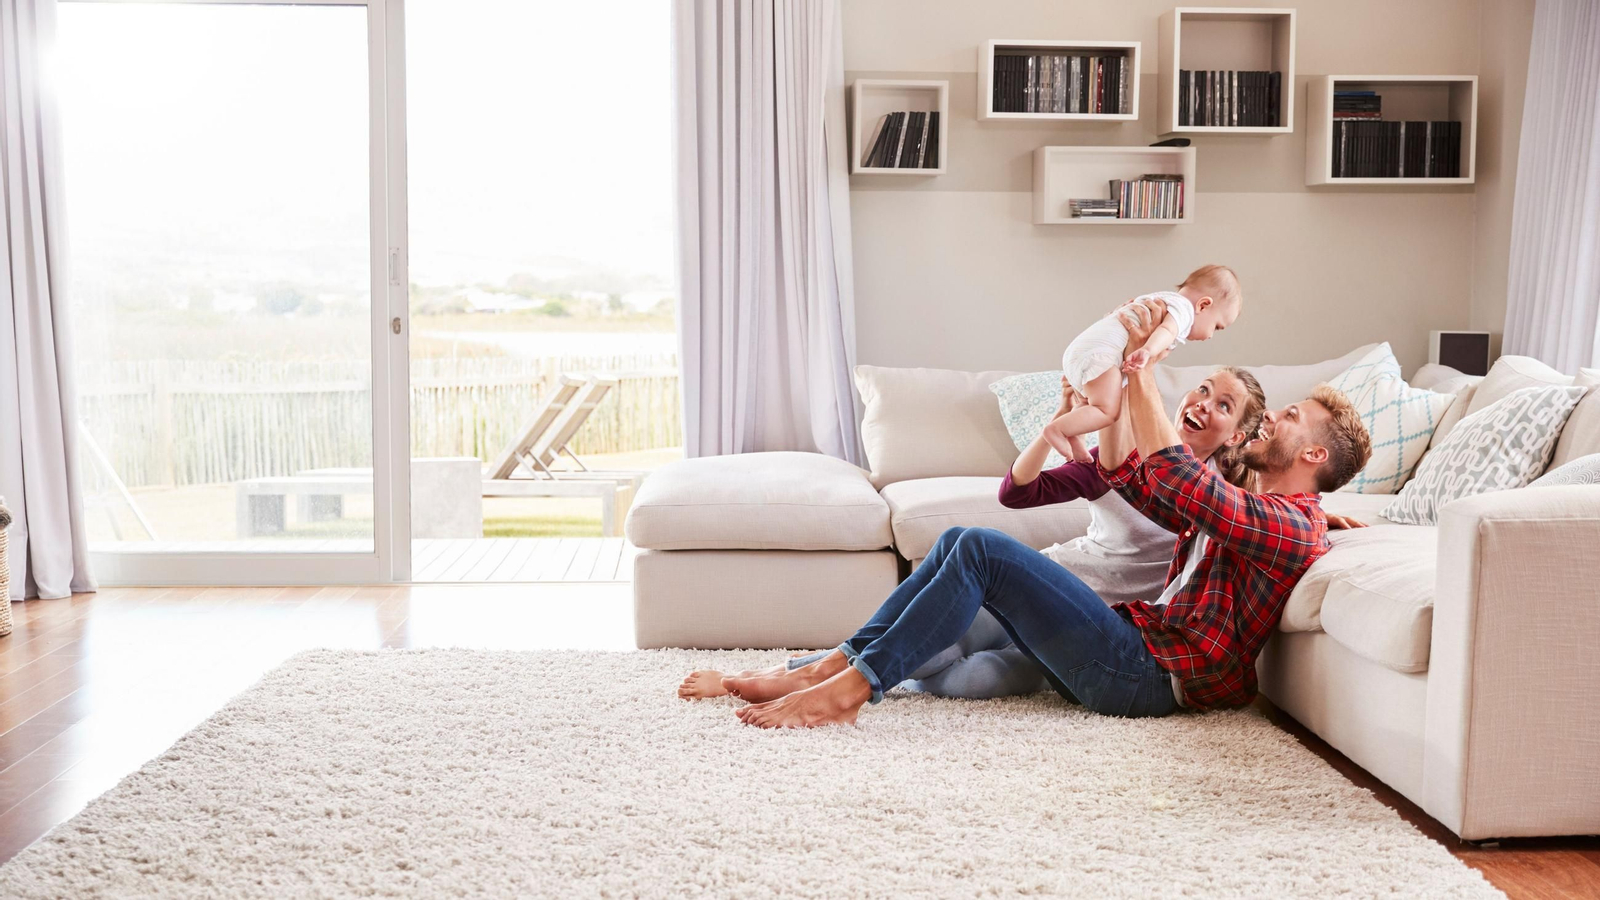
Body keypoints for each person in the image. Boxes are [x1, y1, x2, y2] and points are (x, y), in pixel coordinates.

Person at [713, 299, 1371, 728]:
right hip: (1132, 647)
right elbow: (1138, 481)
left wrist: (1140, 362)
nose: (1274, 418)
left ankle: (849, 691)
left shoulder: (1288, 523)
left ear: (1313, 452)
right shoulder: (1270, 513)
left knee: (975, 551)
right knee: (953, 545)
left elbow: (1178, 478)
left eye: (1289, 417)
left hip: (1143, 676)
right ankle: (836, 668)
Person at [678, 364, 1288, 701]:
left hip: (1096, 622)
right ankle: (813, 671)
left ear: (1237, 435)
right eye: (1204, 389)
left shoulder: (1210, 498)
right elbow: (1026, 491)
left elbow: (1215, 501)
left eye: (1224, 405)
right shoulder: (1141, 459)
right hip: (1057, 584)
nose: (1205, 403)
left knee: (962, 676)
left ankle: (847, 675)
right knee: (942, 629)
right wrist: (1066, 426)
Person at [1040, 265, 1242, 463]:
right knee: (1106, 411)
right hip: (1100, 356)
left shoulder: (1160, 298)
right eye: (1216, 327)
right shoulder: (1184, 311)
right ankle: (1056, 429)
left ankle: (1074, 438)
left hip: (1080, 351)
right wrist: (1148, 351)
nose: (1210, 336)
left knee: (1087, 405)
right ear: (1203, 305)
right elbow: (1167, 331)